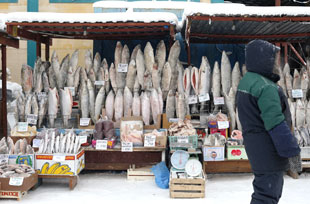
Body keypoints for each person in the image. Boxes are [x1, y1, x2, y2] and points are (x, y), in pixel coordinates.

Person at [236, 39, 300, 204]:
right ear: (263, 58)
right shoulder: (265, 86)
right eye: (274, 58)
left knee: (263, 193)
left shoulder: (248, 80)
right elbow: (275, 122)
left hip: (256, 147)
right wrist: (292, 151)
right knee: (268, 196)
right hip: (268, 150)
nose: (277, 62)